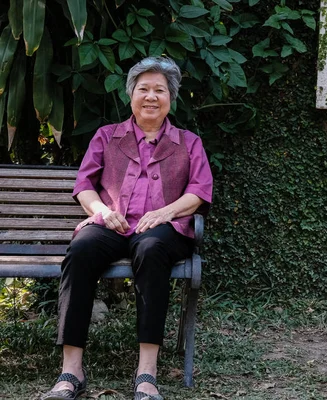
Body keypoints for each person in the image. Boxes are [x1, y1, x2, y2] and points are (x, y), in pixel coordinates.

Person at [40, 56, 213, 400]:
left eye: (159, 90)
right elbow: (84, 186)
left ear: (171, 98)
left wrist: (165, 213)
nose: (151, 96)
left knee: (150, 249)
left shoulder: (188, 142)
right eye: (143, 89)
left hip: (163, 231)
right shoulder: (107, 136)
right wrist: (103, 211)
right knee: (82, 248)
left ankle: (146, 374)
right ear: (131, 95)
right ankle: (71, 371)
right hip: (112, 224)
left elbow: (199, 191)